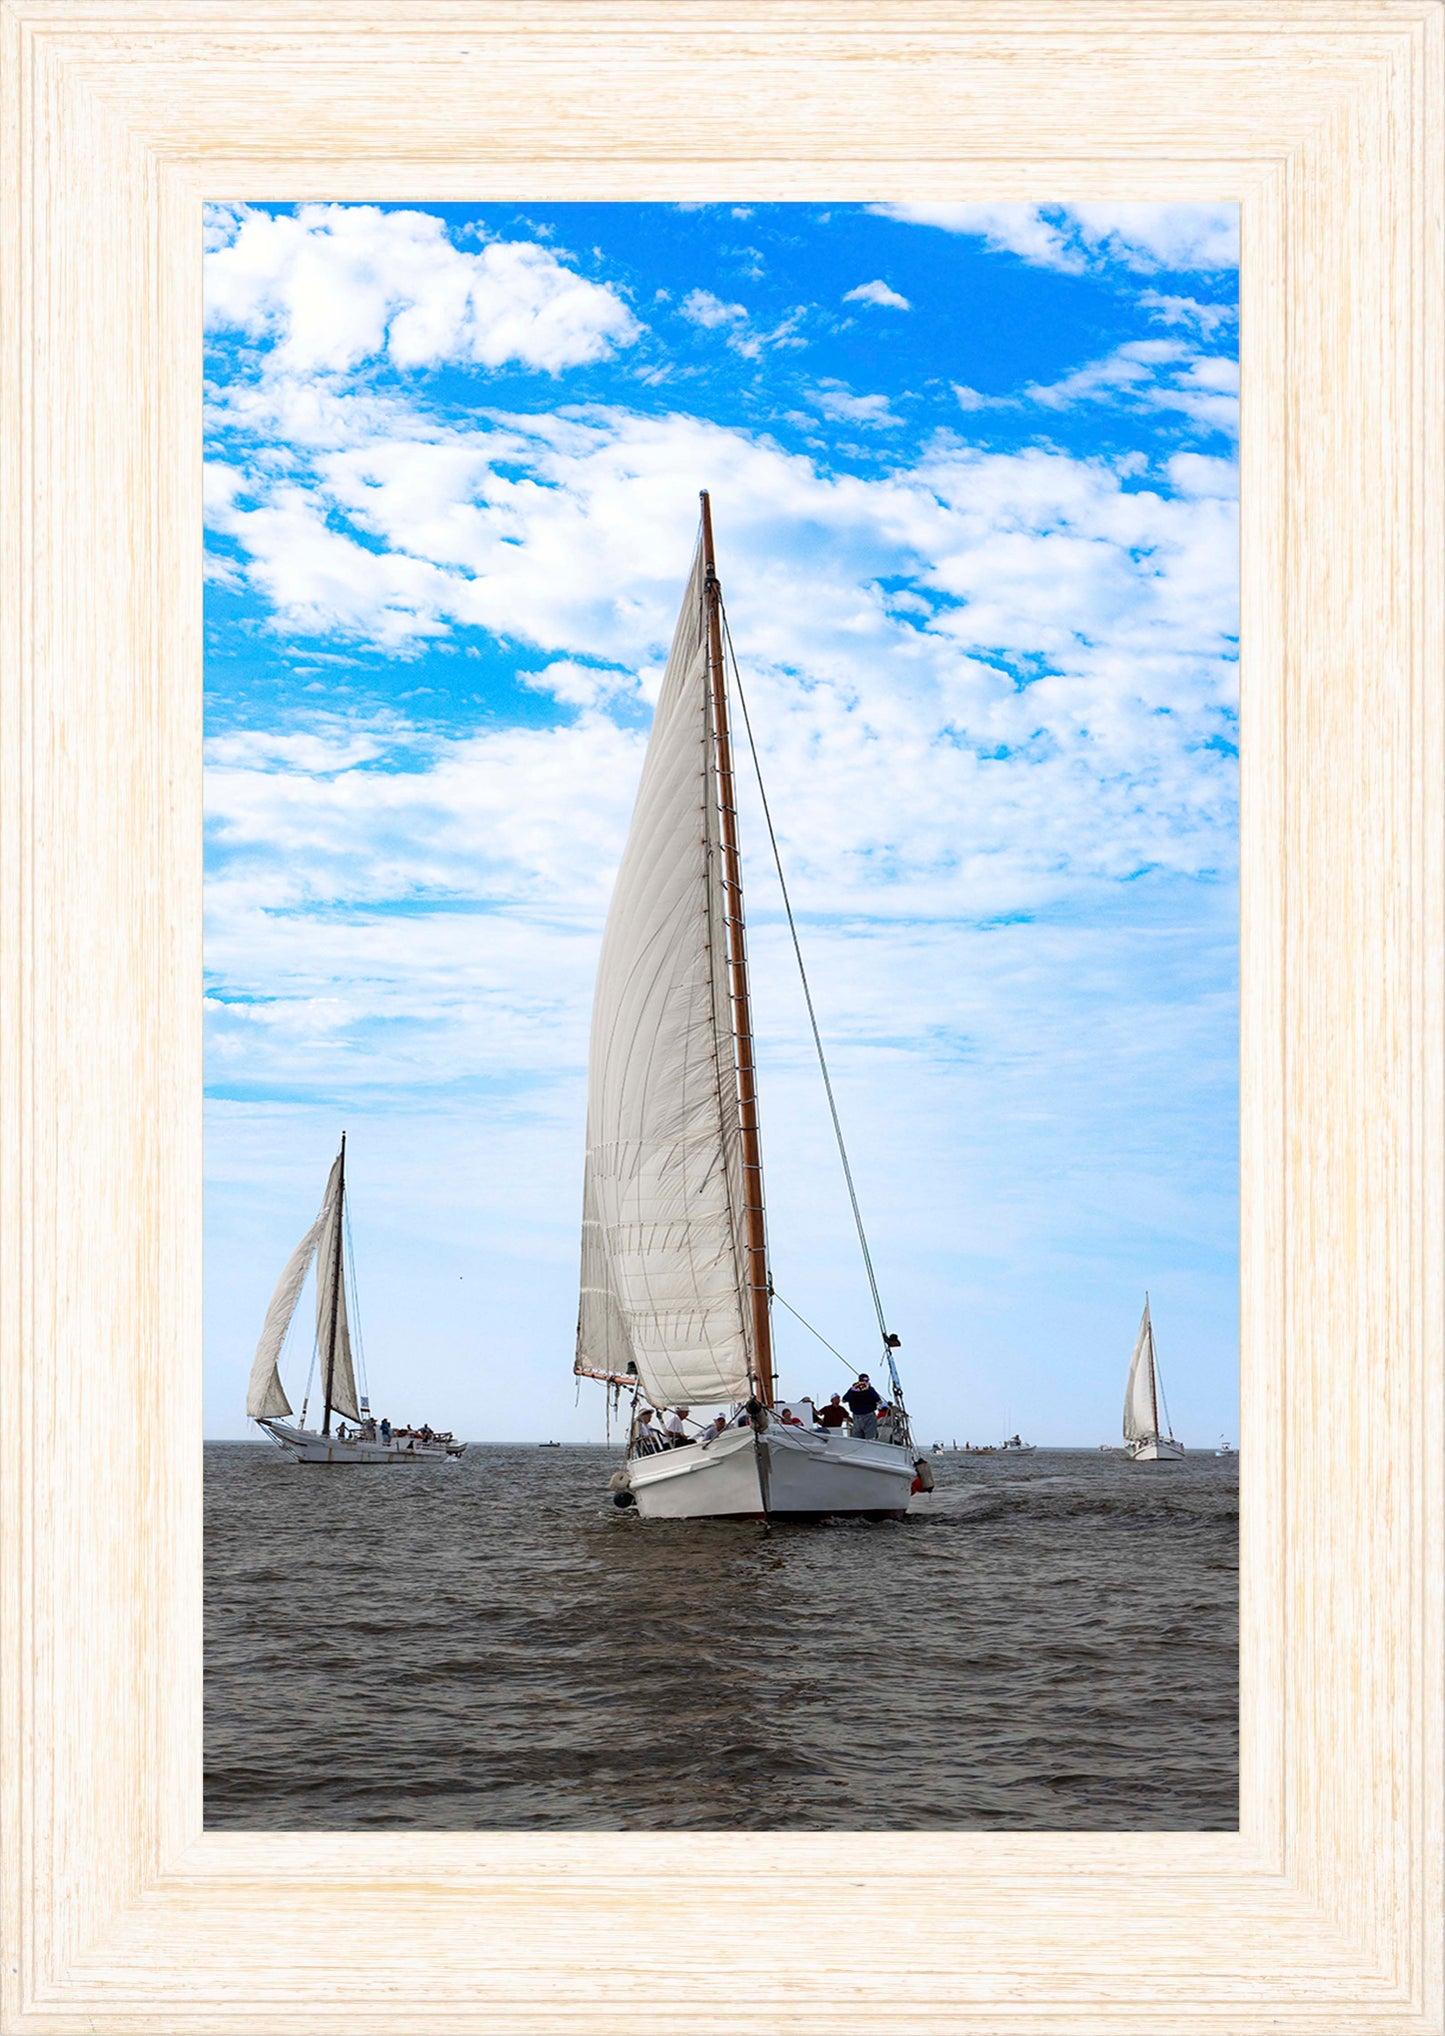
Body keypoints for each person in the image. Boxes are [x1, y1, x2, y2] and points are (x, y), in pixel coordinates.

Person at [843, 1373, 884, 1440]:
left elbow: (844, 1400)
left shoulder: (852, 1389)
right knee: (870, 1437)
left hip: (856, 1416)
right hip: (869, 1416)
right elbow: (879, 1401)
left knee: (858, 1437)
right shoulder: (870, 1389)